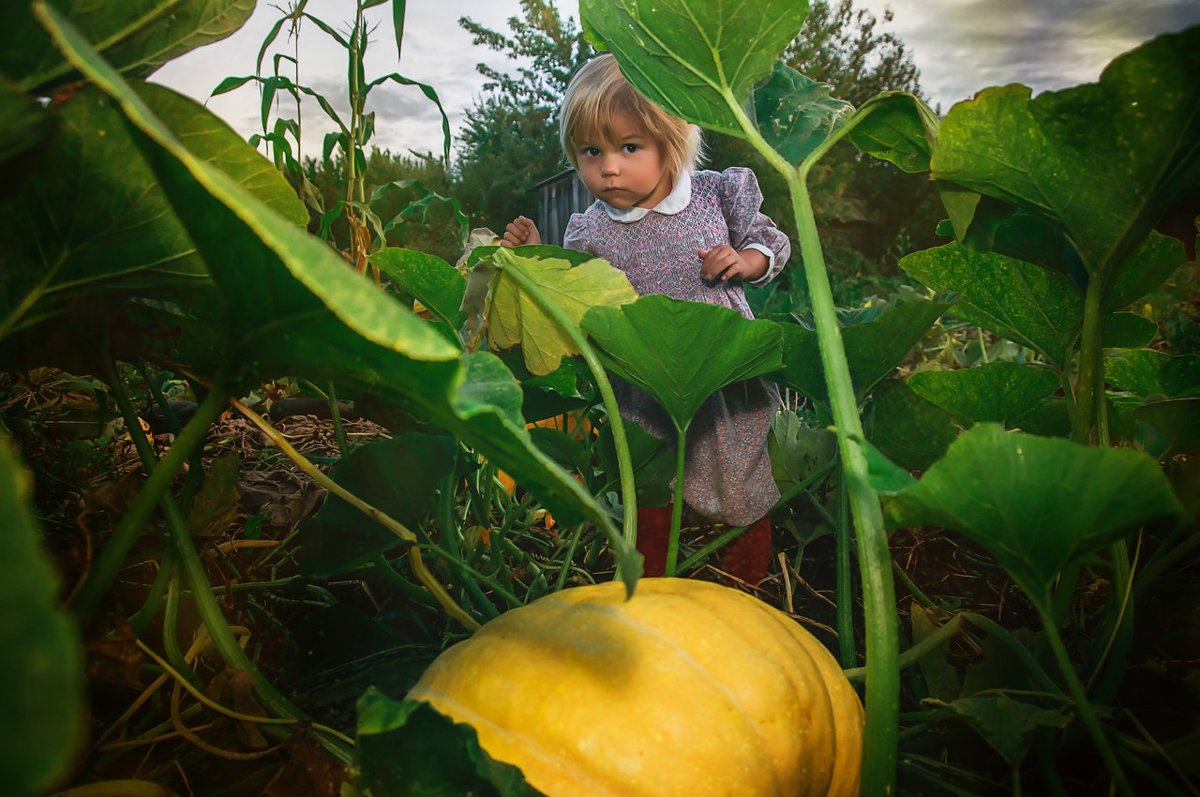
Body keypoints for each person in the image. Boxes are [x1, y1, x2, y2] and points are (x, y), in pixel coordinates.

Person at [501, 53, 790, 584]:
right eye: (592, 151)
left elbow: (770, 243)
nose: (608, 166)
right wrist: (536, 256)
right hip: (640, 384)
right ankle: (652, 587)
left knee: (739, 484)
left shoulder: (712, 196)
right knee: (648, 491)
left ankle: (747, 585)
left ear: (670, 143)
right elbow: (573, 295)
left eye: (629, 147)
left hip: (718, 374)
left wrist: (742, 260)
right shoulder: (588, 230)